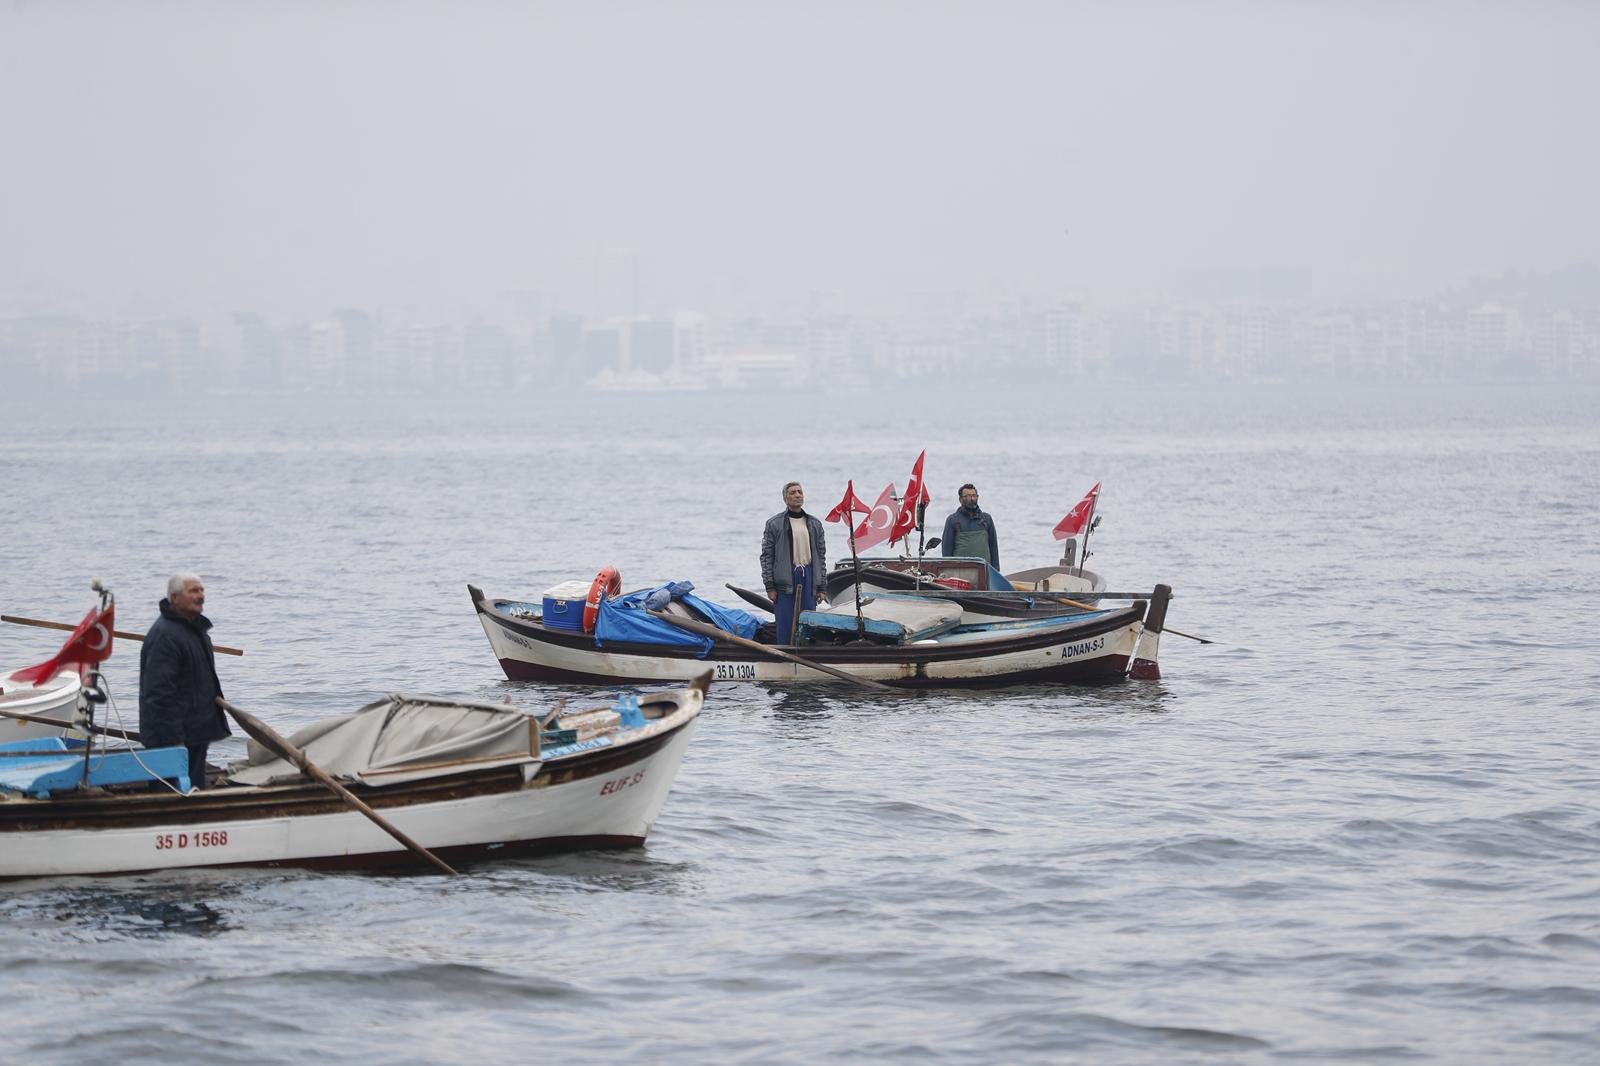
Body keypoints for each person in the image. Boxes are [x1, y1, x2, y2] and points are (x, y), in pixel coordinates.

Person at [139, 573, 231, 791]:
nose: (200, 596)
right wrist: (172, 739)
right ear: (175, 597)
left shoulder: (196, 631)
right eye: (193, 591)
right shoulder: (165, 636)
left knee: (194, 788)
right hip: (172, 736)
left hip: (196, 731)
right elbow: (158, 692)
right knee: (169, 793)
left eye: (201, 590)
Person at [760, 481, 828, 645]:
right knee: (785, 623)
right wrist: (769, 586)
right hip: (785, 579)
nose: (797, 495)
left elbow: (821, 557)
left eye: (799, 492)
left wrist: (821, 587)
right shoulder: (774, 524)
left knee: (808, 622)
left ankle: (806, 655)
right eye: (792, 493)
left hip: (809, 577)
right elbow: (766, 557)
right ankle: (786, 654)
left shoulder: (815, 524)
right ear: (785, 499)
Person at [941, 483, 1000, 567]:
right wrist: (948, 570)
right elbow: (946, 551)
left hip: (984, 570)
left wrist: (996, 571)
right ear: (960, 499)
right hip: (960, 571)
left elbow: (994, 548)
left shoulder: (987, 519)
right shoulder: (952, 520)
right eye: (967, 496)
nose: (971, 499)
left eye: (973, 495)